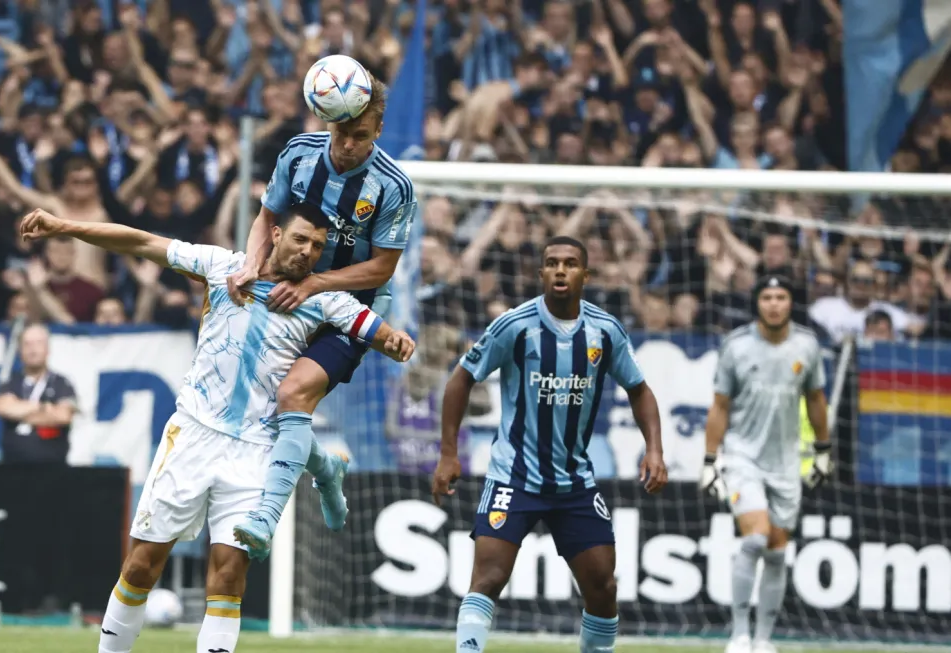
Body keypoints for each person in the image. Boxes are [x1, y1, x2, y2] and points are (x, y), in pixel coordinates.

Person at [16, 203, 414, 653]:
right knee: (142, 565)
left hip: (256, 449)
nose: (308, 251)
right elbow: (141, 241)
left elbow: (380, 333)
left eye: (318, 246)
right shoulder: (223, 267)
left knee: (228, 575)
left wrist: (397, 341)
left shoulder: (324, 300)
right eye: (300, 239)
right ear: (276, 234)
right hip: (193, 435)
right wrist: (63, 225)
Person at [432, 236, 669, 653]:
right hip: (513, 477)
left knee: (603, 586)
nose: (561, 270)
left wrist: (654, 449)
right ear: (541, 273)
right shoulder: (514, 325)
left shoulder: (604, 331)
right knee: (488, 578)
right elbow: (461, 378)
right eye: (552, 263)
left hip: (573, 482)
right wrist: (449, 453)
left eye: (571, 263)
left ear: (585, 275)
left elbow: (639, 389)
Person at [227, 70, 419, 560]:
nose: (348, 145)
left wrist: (315, 283)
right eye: (341, 132)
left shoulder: (393, 186)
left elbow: (383, 267)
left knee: (294, 394)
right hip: (289, 293)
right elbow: (267, 218)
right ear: (327, 120)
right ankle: (327, 469)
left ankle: (265, 518)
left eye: (361, 135)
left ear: (378, 130)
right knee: (274, 409)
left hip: (349, 308)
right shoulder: (299, 154)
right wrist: (250, 263)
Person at [700, 275, 831, 653]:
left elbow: (816, 399)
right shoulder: (736, 345)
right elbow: (720, 405)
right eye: (767, 297)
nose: (774, 304)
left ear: (791, 302)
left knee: (776, 551)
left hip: (787, 462)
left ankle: (763, 640)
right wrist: (710, 460)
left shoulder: (807, 345)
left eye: (781, 297)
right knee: (755, 538)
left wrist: (823, 450)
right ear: (757, 303)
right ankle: (739, 635)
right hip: (743, 456)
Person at [0, 323, 78, 464]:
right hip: (12, 468)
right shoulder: (10, 382)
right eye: (27, 344)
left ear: (47, 348)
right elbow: (5, 408)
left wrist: (21, 412)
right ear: (20, 350)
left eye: (38, 343)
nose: (33, 350)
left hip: (53, 468)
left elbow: (63, 416)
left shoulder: (62, 383)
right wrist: (43, 408)